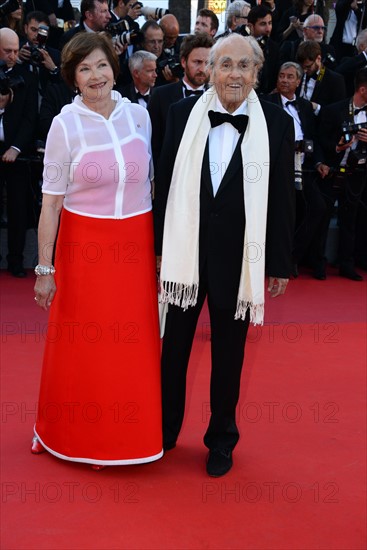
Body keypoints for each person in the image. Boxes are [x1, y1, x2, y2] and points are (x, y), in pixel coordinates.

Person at [154, 33, 295, 477]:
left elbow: (281, 199)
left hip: (241, 258)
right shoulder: (179, 115)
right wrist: (160, 248)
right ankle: (163, 430)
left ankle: (221, 440)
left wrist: (278, 261)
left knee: (229, 356)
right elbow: (163, 187)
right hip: (185, 254)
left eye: (244, 66)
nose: (235, 74)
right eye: (226, 65)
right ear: (208, 70)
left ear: (257, 73)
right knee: (173, 350)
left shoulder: (277, 122)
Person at [32, 32, 163, 468]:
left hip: (135, 247)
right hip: (84, 249)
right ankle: (69, 436)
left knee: (132, 346)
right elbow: (51, 202)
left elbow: (152, 185)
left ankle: (132, 438)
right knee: (83, 347)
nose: (95, 75)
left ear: (114, 67)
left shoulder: (139, 116)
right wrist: (44, 268)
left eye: (101, 65)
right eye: (84, 68)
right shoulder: (63, 125)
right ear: (72, 76)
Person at [317, 67, 367, 281]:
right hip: (331, 172)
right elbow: (320, 141)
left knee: (351, 219)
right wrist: (338, 147)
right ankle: (318, 262)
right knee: (322, 217)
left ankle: (346, 263)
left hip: (358, 175)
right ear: (363, 89)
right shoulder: (334, 110)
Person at [0, 28, 39, 277]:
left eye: (15, 51)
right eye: (7, 51)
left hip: (18, 153)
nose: (13, 56)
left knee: (18, 208)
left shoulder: (28, 77)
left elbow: (29, 118)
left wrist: (15, 148)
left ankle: (16, 260)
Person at [148, 32, 213, 170]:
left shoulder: (218, 98)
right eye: (197, 62)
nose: (202, 69)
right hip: (172, 176)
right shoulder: (160, 96)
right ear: (183, 62)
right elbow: (153, 146)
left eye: (207, 63)